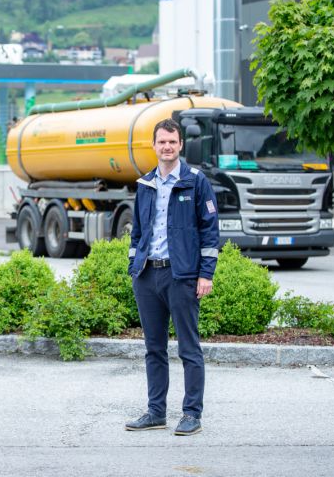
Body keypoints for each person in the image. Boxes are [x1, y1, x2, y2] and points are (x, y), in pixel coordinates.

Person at [125, 118, 219, 436]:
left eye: (172, 142)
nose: (167, 147)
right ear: (154, 145)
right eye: (162, 142)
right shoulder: (145, 184)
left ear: (180, 145)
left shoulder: (196, 181)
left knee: (188, 349)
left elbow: (210, 231)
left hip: (182, 277)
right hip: (147, 276)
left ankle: (192, 414)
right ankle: (156, 412)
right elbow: (138, 231)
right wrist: (134, 267)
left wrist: (205, 274)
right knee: (154, 348)